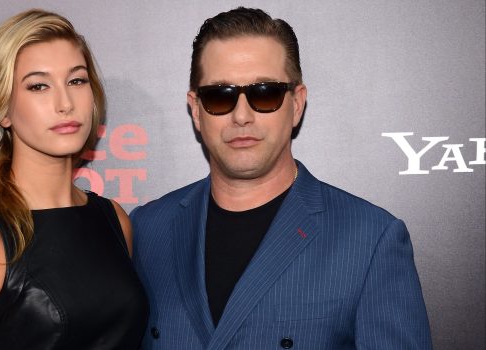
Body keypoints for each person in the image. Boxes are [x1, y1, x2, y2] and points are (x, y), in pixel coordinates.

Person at [131, 7, 432, 349]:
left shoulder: (370, 239)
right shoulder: (148, 229)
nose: (241, 116)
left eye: (264, 93)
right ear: (196, 109)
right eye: (219, 96)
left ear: (297, 103)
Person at [0, 9, 148, 349]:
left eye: (76, 80)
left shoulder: (113, 219)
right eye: (38, 86)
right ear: (1, 109)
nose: (65, 103)